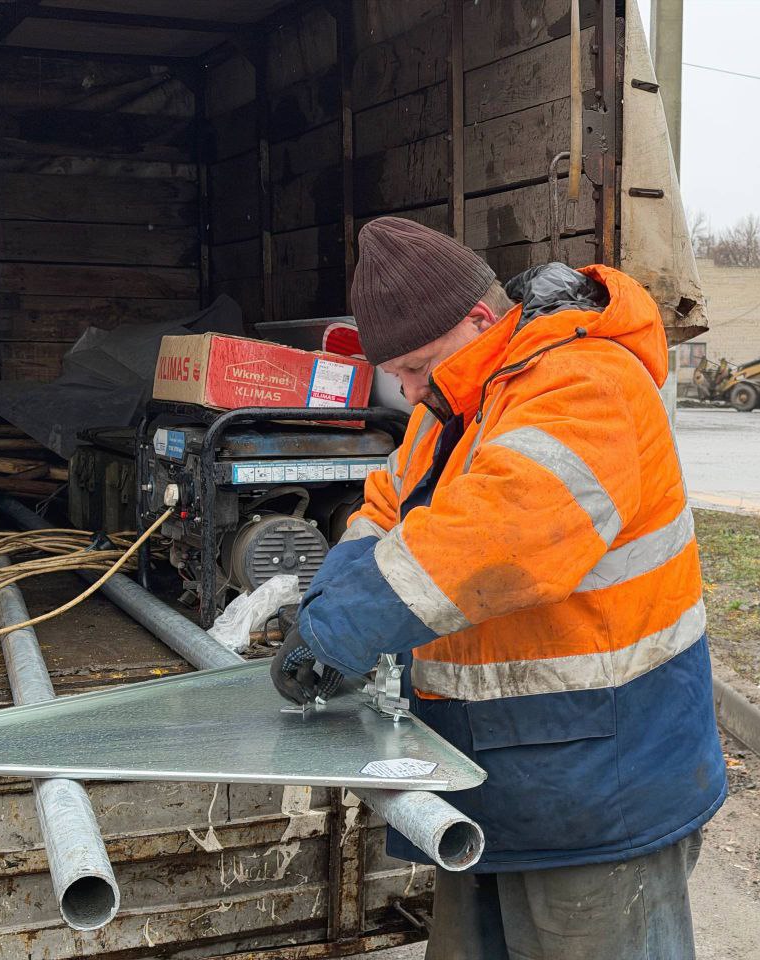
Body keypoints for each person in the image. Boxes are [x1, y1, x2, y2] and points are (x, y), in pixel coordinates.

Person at [270, 218, 726, 960]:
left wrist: (339, 632)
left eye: (417, 366)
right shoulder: (455, 407)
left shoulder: (586, 381)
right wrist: (321, 606)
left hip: (601, 786)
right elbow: (386, 511)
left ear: (481, 321)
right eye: (396, 375)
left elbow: (498, 539)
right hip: (501, 778)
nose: (408, 391)